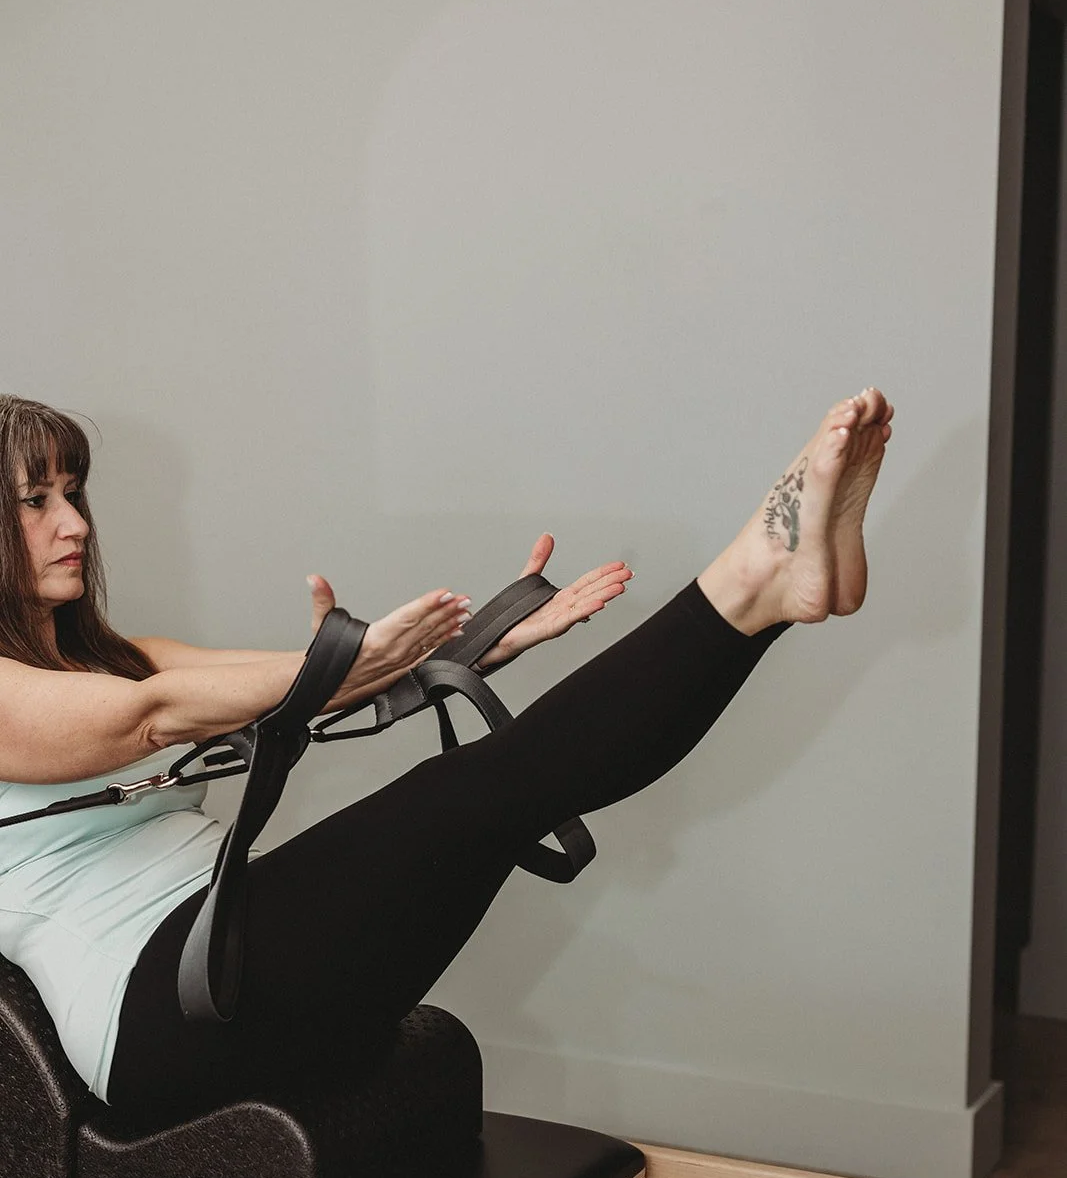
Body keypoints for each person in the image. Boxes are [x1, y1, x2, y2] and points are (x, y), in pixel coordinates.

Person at [0, 388, 893, 1122]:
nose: (73, 522)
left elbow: (314, 687)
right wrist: (333, 665)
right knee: (470, 792)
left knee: (495, 802)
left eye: (74, 493)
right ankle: (751, 585)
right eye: (36, 501)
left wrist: (483, 645)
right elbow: (148, 719)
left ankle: (768, 602)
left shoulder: (123, 653)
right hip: (163, 1010)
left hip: (245, 953)